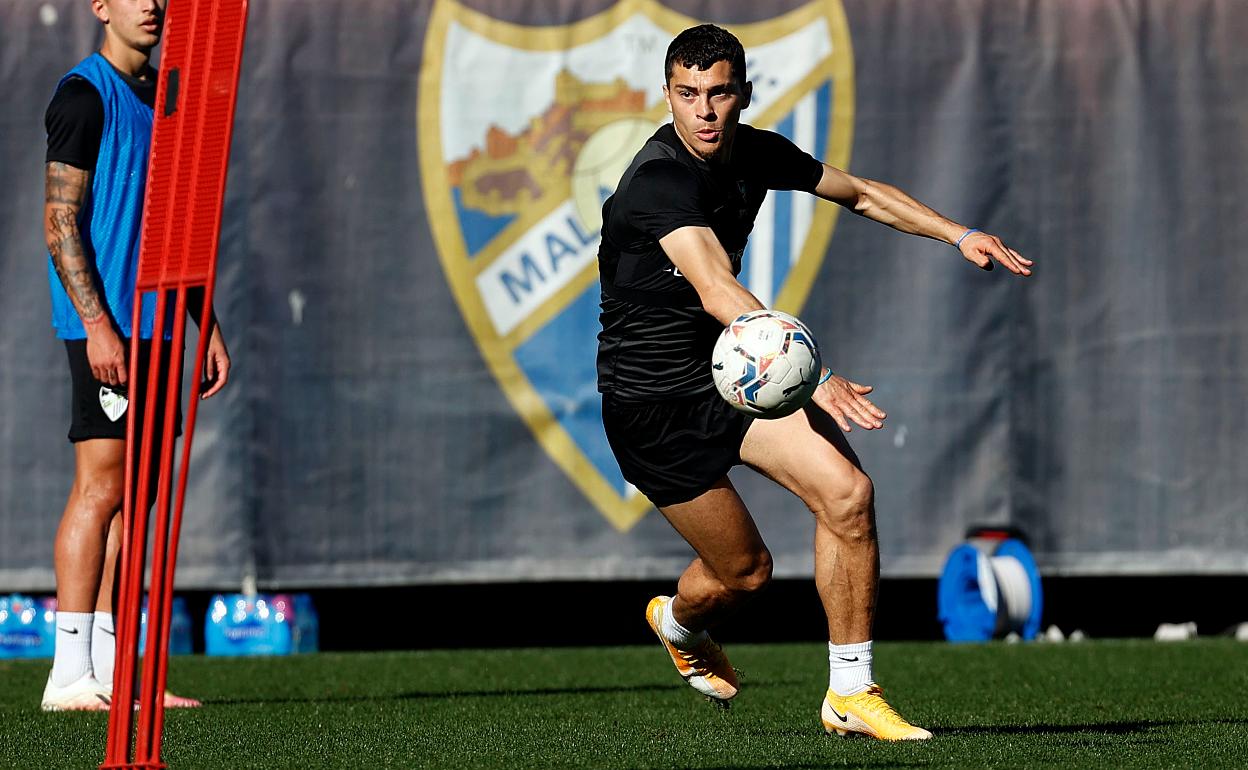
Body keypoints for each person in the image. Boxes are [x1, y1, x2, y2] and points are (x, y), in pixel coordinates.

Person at [597, 24, 1031, 740]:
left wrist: (957, 233)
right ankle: (676, 621)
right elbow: (716, 287)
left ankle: (850, 693)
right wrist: (810, 375)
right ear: (668, 95)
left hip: (731, 381)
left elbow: (859, 193)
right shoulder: (659, 181)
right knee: (745, 575)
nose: (703, 111)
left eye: (718, 93)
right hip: (654, 406)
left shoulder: (756, 152)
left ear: (741, 93)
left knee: (848, 496)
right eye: (687, 94)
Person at [41, 0, 230, 711]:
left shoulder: (165, 98)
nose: (150, 4)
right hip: (107, 325)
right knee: (101, 485)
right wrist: (96, 325)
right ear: (100, 6)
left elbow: (173, 222)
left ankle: (115, 675)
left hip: (157, 322)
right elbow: (59, 223)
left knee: (138, 495)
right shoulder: (83, 94)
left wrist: (202, 320)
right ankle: (67, 674)